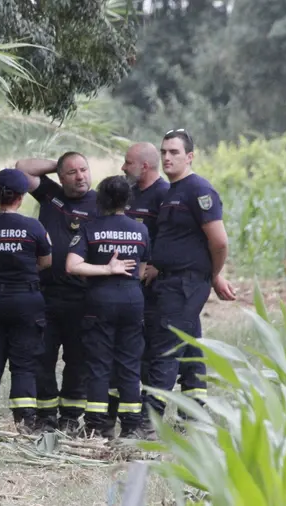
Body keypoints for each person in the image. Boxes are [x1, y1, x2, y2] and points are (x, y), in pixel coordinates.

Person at [142, 128, 236, 438]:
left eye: (174, 153)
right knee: (191, 350)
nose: (167, 157)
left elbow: (219, 242)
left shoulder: (198, 190)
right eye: (164, 152)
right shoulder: (172, 191)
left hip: (185, 284)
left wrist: (213, 275)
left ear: (190, 157)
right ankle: (193, 417)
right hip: (171, 280)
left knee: (165, 349)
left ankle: (150, 422)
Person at [14, 152, 97, 433]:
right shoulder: (51, 194)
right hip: (46, 293)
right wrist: (58, 164)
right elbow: (22, 168)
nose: (80, 176)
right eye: (72, 172)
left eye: (84, 169)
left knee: (77, 359)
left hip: (83, 297)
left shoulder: (100, 203)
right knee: (42, 356)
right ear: (61, 177)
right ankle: (46, 417)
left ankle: (71, 417)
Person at [0, 168, 52, 434]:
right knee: (24, 362)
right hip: (25, 300)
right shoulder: (33, 226)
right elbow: (46, 260)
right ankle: (25, 421)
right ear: (23, 195)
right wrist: (26, 272)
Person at [65, 175, 148, 439]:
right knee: (130, 364)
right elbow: (142, 269)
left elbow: (72, 266)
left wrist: (104, 269)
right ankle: (132, 426)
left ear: (100, 199)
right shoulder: (141, 230)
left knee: (99, 365)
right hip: (133, 299)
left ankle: (97, 426)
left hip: (100, 301)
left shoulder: (90, 228)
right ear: (127, 200)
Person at [105, 142, 170, 420]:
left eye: (128, 162)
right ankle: (116, 413)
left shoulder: (165, 194)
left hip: (154, 289)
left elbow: (174, 235)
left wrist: (155, 264)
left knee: (153, 351)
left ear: (144, 165)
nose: (123, 167)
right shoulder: (126, 194)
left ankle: (148, 415)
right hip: (124, 287)